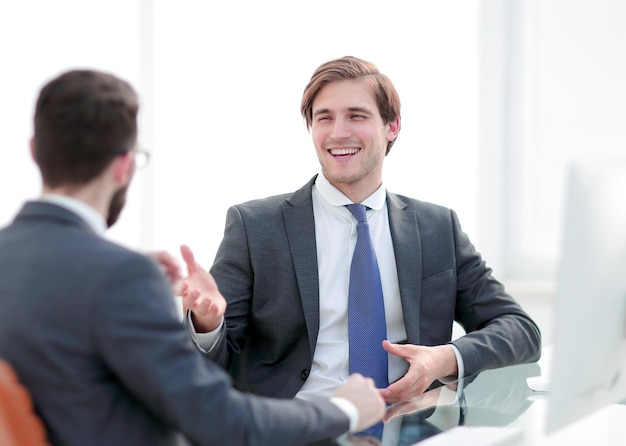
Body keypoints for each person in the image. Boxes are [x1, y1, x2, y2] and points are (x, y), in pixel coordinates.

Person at [0, 69, 385, 446]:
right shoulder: (121, 276)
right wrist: (343, 410)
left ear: (35, 151)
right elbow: (222, 422)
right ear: (124, 166)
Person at [183, 54, 541, 424]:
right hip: (293, 427)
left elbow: (520, 329)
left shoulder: (437, 228)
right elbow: (210, 364)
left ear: (392, 127)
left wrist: (443, 359)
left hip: (404, 425)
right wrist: (206, 325)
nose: (338, 132)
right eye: (324, 117)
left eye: (356, 115)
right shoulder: (255, 226)